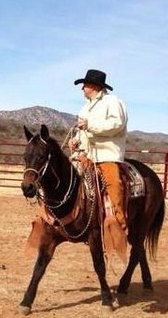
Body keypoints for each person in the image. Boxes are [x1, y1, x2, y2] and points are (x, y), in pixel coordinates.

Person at [68, 69, 128, 232]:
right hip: (85, 153)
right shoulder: (85, 108)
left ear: (94, 86)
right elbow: (83, 131)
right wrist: (76, 140)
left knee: (113, 183)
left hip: (106, 153)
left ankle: (119, 219)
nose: (82, 89)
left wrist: (90, 126)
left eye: (84, 85)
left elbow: (117, 125)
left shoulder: (113, 102)